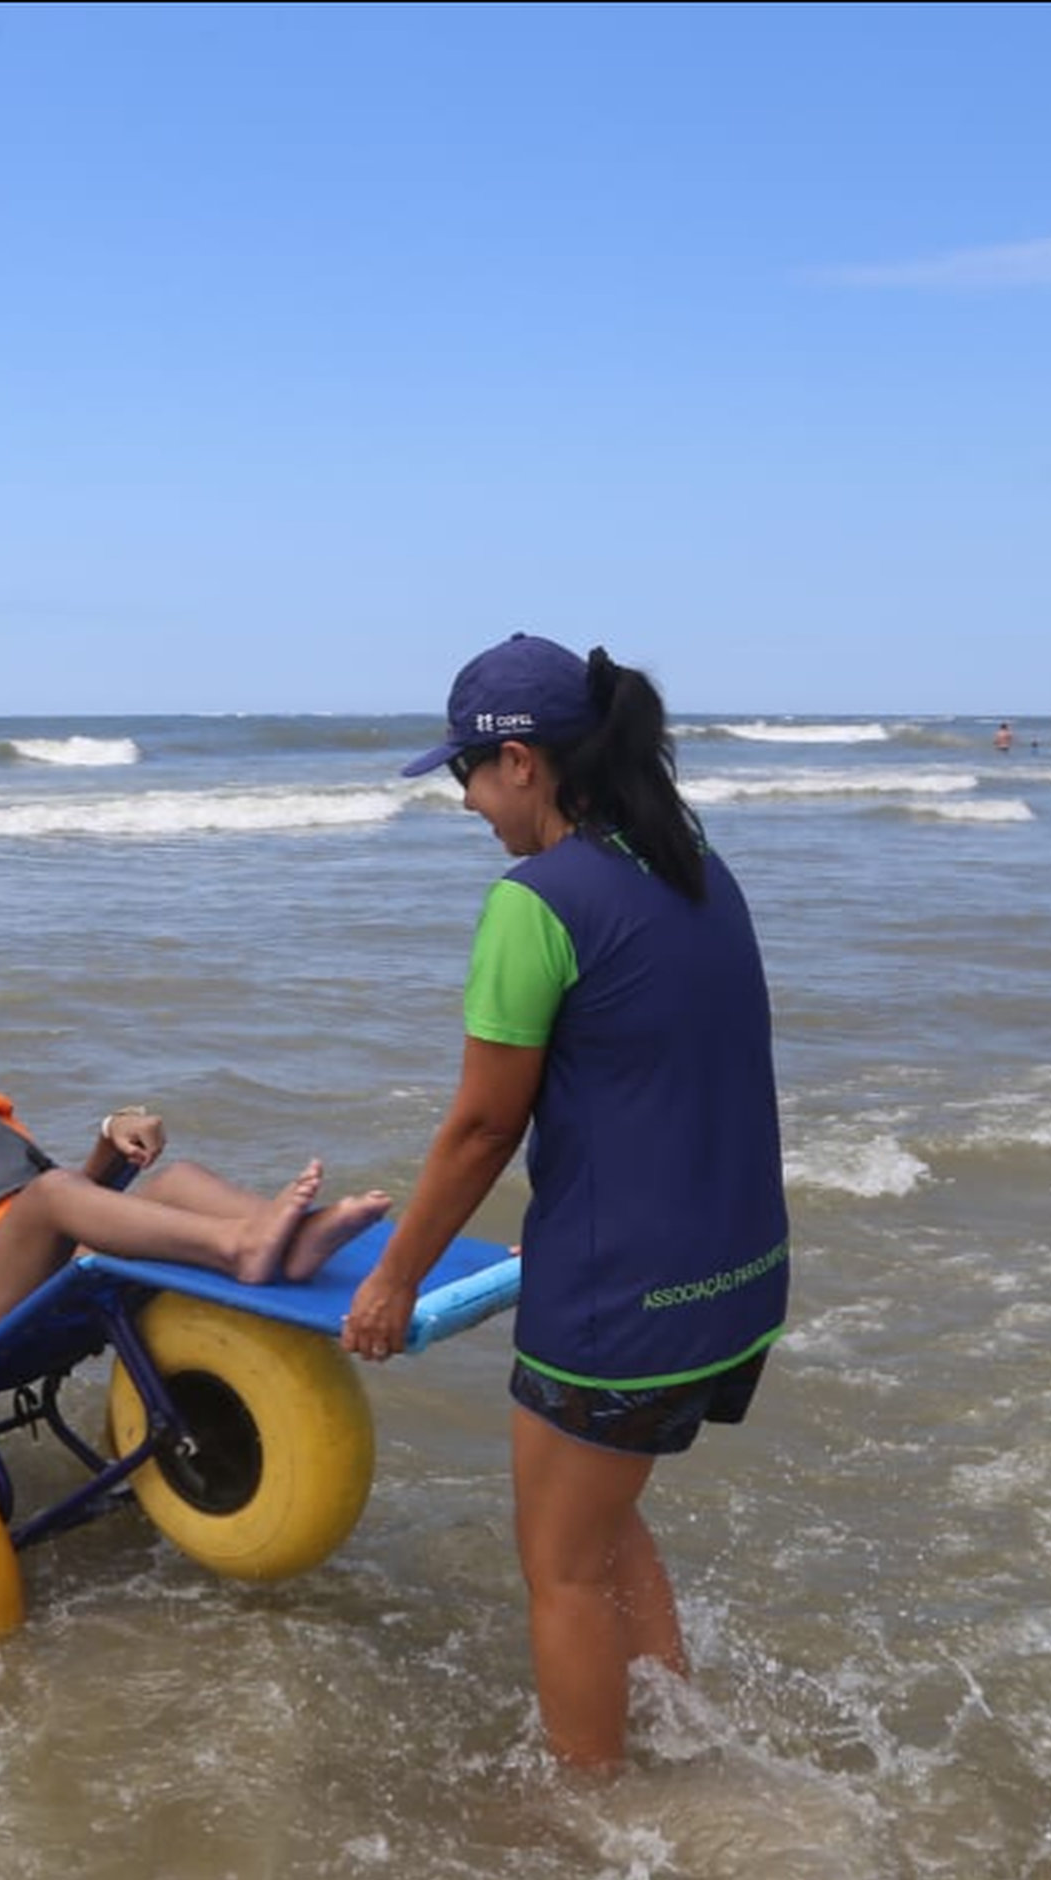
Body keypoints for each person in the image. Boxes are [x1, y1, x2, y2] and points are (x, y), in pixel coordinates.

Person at [342, 634, 790, 1773]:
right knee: (603, 1520)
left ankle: (595, 1814)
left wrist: (393, 1276)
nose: (466, 802)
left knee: (557, 1569)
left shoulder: (533, 902)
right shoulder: (685, 855)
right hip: (737, 1281)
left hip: (619, 1298)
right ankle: (674, 1733)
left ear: (525, 765)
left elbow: (484, 1125)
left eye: (468, 775)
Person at [0, 980, 389, 1368]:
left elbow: (64, 1207)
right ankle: (241, 1249)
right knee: (54, 1193)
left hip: (40, 1283)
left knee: (176, 1179)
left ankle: (290, 1241)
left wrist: (112, 1140)